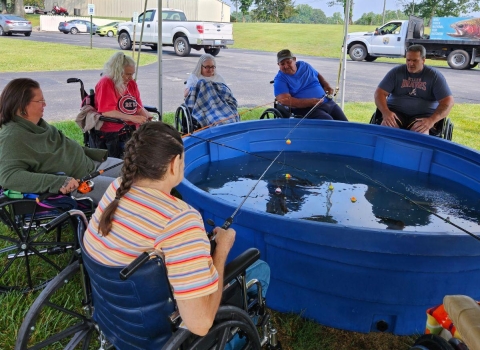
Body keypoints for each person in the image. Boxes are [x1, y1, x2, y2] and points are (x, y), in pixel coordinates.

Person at [83, 122, 270, 339]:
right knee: (259, 268)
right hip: (162, 338)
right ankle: (239, 336)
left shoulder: (115, 189)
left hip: (117, 324)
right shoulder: (180, 219)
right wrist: (222, 250)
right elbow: (200, 325)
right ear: (174, 164)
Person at [0, 78, 122, 204]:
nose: (45, 104)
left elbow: (63, 147)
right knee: (130, 192)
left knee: (138, 172)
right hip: (79, 183)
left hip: (92, 164)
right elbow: (9, 177)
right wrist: (59, 182)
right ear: (22, 105)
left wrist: (92, 153)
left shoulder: (37, 124)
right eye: (40, 101)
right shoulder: (12, 136)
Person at [374, 44, 454, 135]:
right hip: (395, 113)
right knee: (386, 128)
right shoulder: (396, 72)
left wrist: (431, 120)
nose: (410, 64)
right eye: (408, 60)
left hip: (423, 117)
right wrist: (385, 112)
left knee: (421, 133)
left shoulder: (434, 76)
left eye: (415, 60)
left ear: (423, 60)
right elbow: (379, 93)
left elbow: (448, 101)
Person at [93, 52, 153, 158]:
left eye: (132, 74)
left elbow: (138, 106)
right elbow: (107, 111)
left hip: (131, 128)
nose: (131, 78)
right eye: (128, 74)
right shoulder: (106, 83)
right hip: (113, 131)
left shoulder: (131, 84)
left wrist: (146, 115)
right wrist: (132, 118)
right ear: (117, 72)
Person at [273, 49, 348, 121]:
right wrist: (309, 102)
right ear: (278, 65)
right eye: (282, 64)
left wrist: (326, 85)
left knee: (346, 125)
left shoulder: (304, 66)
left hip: (328, 102)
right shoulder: (280, 79)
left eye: (288, 62)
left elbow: (317, 75)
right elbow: (284, 101)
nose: (286, 66)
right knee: (330, 125)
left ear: (294, 60)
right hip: (308, 109)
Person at [183, 54, 240, 128]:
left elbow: (227, 93)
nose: (210, 69)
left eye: (212, 67)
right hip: (203, 107)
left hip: (221, 106)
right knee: (217, 120)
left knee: (231, 117)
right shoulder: (194, 77)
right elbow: (186, 94)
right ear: (200, 66)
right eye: (207, 67)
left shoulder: (219, 78)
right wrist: (199, 86)